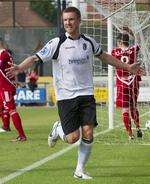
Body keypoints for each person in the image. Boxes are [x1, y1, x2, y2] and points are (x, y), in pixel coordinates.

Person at [6, 7, 143, 179]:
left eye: (71, 19)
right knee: (72, 138)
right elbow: (35, 58)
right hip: (66, 96)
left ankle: (79, 170)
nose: (68, 23)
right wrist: (19, 67)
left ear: (79, 21)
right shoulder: (57, 43)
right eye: (65, 20)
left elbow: (105, 56)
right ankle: (57, 129)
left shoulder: (89, 42)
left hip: (86, 94)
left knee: (88, 132)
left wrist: (128, 67)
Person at [112, 32, 143, 140]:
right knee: (133, 107)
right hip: (133, 83)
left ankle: (130, 134)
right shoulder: (134, 50)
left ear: (120, 42)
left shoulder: (114, 52)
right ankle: (138, 127)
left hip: (122, 84)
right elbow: (140, 40)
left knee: (125, 110)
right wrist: (132, 32)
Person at [0, 37, 27, 141]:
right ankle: (7, 127)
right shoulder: (4, 54)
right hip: (4, 86)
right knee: (6, 108)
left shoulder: (3, 54)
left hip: (6, 86)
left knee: (11, 110)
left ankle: (22, 136)